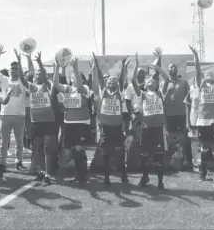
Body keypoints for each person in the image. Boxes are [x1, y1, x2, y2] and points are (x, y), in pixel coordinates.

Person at [14, 50, 58, 185]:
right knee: (38, 148)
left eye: (41, 73)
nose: (38, 74)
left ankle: (49, 174)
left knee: (47, 148)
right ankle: (42, 172)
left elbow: (45, 74)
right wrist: (20, 61)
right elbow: (21, 77)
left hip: (48, 121)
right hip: (36, 122)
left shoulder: (48, 85)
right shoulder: (31, 86)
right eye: (37, 72)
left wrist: (39, 62)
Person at [190, 42, 214, 187]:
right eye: (206, 74)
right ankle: (203, 173)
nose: (208, 74)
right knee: (204, 148)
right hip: (203, 121)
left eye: (211, 73)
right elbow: (198, 71)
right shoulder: (201, 85)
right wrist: (196, 55)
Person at [132, 53, 169, 190]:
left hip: (159, 128)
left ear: (156, 84)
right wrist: (136, 64)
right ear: (145, 85)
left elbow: (166, 78)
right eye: (148, 81)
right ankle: (145, 177)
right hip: (146, 128)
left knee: (159, 156)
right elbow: (132, 80)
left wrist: (157, 67)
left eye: (152, 81)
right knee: (144, 155)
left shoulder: (160, 93)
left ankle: (160, 181)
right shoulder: (141, 94)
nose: (150, 81)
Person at [92, 52, 129, 187]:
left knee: (120, 152)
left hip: (117, 128)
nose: (112, 81)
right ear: (106, 83)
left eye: (114, 80)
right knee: (106, 153)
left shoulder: (119, 92)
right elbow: (100, 77)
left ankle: (123, 175)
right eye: (110, 80)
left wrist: (124, 65)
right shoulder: (103, 91)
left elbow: (121, 79)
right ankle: (106, 177)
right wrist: (96, 63)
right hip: (106, 128)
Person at [53, 57, 92, 184]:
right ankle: (79, 174)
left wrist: (75, 68)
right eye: (73, 77)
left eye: (77, 76)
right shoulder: (68, 89)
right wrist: (57, 68)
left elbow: (80, 86)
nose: (74, 78)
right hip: (68, 124)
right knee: (71, 150)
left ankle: (83, 176)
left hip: (81, 123)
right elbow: (56, 85)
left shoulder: (85, 88)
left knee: (80, 149)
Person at [0, 45, 28, 171]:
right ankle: (2, 163)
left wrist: (21, 59)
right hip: (5, 114)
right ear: (9, 70)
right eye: (12, 68)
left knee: (19, 142)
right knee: (4, 141)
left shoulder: (24, 82)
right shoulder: (5, 80)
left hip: (19, 115)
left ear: (20, 70)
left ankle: (19, 162)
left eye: (17, 68)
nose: (14, 70)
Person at [160, 51, 192, 169]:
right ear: (167, 71)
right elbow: (161, 98)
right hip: (169, 116)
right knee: (170, 140)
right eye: (170, 67)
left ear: (177, 70)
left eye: (174, 67)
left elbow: (189, 100)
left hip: (182, 115)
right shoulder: (163, 83)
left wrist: (189, 118)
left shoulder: (183, 82)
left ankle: (188, 161)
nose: (172, 68)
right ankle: (171, 161)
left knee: (185, 139)